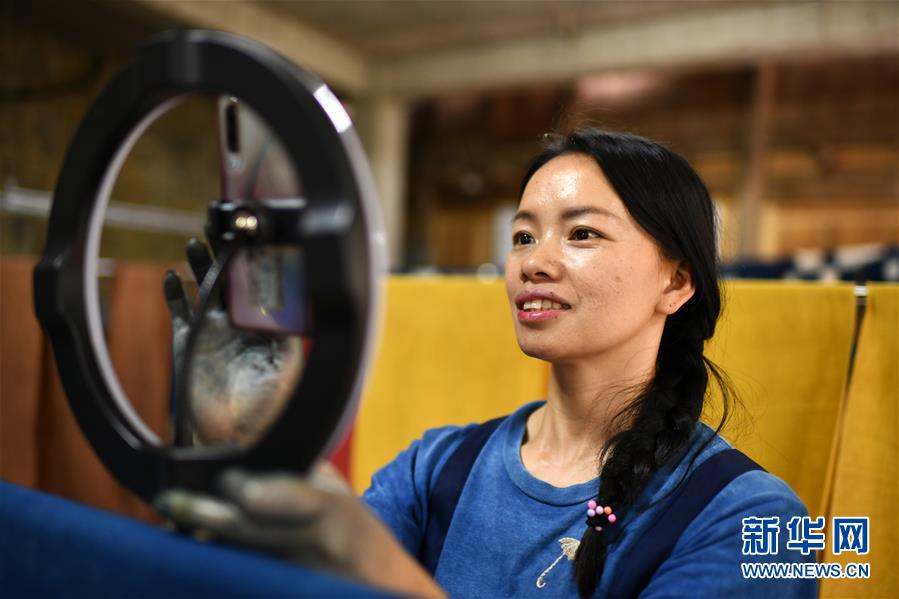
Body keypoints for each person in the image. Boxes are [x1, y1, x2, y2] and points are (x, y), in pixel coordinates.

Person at [160, 128, 816, 598]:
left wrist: (371, 562)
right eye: (522, 235)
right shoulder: (438, 465)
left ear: (675, 282)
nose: (534, 261)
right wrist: (253, 435)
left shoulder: (759, 521)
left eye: (582, 232)